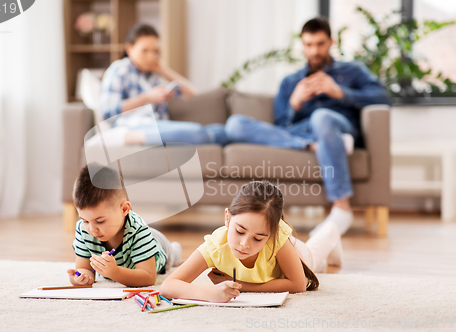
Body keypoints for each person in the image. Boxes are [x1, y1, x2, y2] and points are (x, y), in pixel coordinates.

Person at [224, 17, 391, 236]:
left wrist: (339, 92)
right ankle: (311, 144)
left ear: (331, 42)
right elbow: (280, 126)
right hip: (300, 132)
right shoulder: (290, 82)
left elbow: (383, 97)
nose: (315, 51)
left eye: (320, 44)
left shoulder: (352, 71)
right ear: (302, 45)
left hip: (337, 126)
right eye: (309, 45)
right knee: (235, 124)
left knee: (321, 116)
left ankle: (342, 207)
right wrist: (294, 103)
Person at [160, 181, 343, 303]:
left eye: (257, 238)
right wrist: (210, 293)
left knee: (317, 249)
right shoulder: (216, 246)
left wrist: (242, 285)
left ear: (271, 234)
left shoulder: (277, 240)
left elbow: (298, 285)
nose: (244, 244)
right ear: (227, 219)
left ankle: (332, 230)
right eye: (239, 231)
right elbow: (168, 285)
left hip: (300, 254)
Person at [99, 23, 228, 146]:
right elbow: (107, 111)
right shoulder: (119, 70)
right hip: (133, 126)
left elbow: (194, 95)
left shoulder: (154, 76)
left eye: (155, 51)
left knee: (220, 131)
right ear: (129, 48)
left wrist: (165, 70)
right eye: (145, 51)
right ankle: (130, 138)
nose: (151, 57)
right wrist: (147, 98)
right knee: (200, 133)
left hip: (158, 125)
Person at [67, 164, 182, 286]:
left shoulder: (139, 231)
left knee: (173, 255)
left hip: (158, 244)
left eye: (100, 221)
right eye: (85, 220)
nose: (92, 229)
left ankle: (175, 249)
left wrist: (115, 272)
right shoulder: (83, 230)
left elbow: (148, 277)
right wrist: (81, 277)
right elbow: (83, 268)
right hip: (134, 240)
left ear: (124, 209)